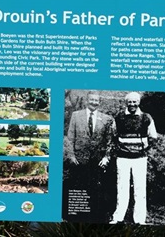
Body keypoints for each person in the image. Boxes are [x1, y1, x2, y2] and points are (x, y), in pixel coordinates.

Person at [109, 91, 158, 225]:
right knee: (122, 188)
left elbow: (153, 137)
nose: (132, 104)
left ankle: (140, 220)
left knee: (140, 189)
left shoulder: (146, 118)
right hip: (123, 158)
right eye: (129, 102)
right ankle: (118, 218)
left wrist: (144, 150)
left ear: (138, 103)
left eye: (134, 102)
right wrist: (119, 149)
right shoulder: (119, 117)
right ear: (126, 103)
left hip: (140, 158)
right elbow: (113, 135)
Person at [65, 91, 115, 221]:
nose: (94, 102)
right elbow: (70, 138)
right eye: (91, 100)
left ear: (99, 102)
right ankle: (78, 218)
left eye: (96, 100)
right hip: (79, 160)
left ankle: (95, 217)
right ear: (87, 101)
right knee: (79, 188)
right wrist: (71, 156)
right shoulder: (76, 116)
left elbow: (110, 141)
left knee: (96, 190)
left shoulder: (106, 119)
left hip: (97, 161)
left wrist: (106, 157)